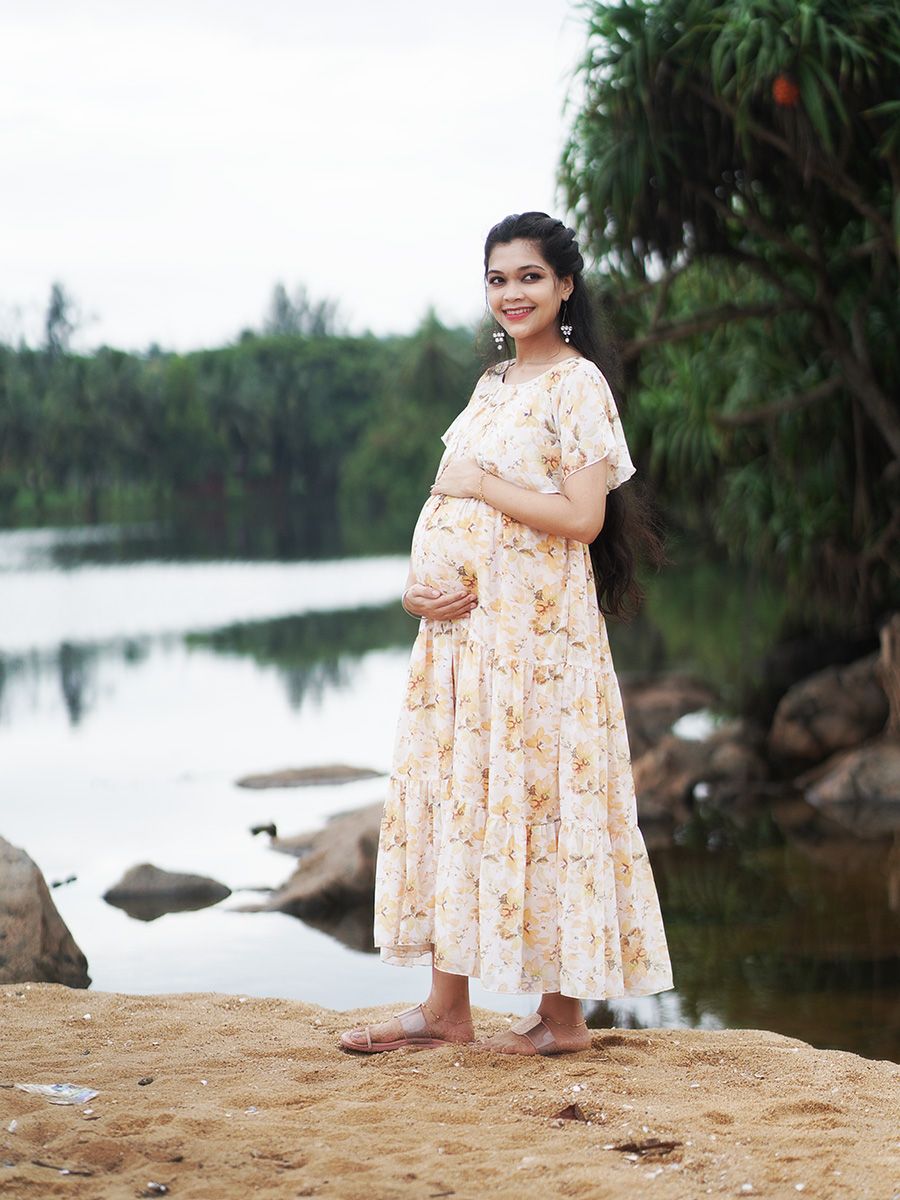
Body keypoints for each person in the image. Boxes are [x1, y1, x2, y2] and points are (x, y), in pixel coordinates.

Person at [340, 212, 673, 1057]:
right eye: (497, 279)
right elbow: (450, 502)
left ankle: (562, 1021)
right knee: (462, 800)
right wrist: (421, 589)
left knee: (547, 799)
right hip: (462, 646)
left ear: (565, 285)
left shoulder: (578, 385)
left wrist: (483, 484)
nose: (511, 293)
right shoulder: (493, 385)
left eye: (528, 276)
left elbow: (582, 516)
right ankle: (446, 1009)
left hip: (539, 647)